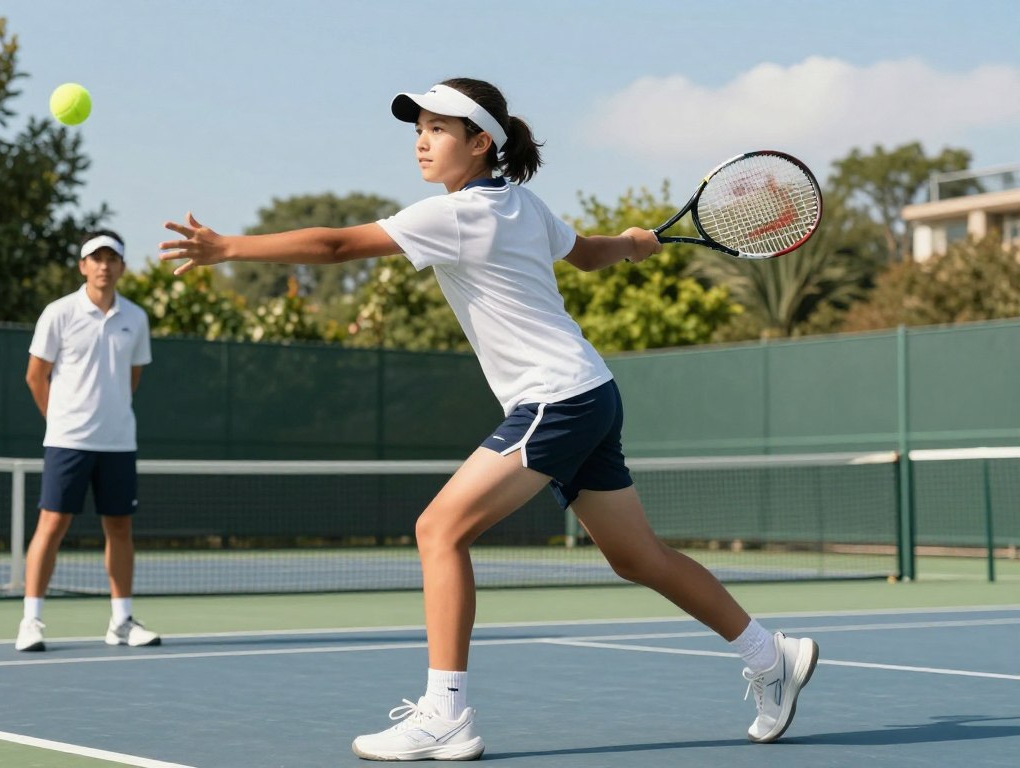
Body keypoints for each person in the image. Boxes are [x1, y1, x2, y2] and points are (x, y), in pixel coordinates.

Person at [159, 78, 816, 761]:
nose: (421, 138)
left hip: (555, 399)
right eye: (418, 127)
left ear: (480, 144)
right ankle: (771, 655)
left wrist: (229, 248)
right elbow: (588, 254)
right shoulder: (520, 205)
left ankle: (445, 713)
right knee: (635, 556)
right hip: (589, 391)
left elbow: (334, 248)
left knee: (438, 530)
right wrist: (630, 241)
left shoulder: (459, 215)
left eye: (439, 129)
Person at [15, 229, 161, 652]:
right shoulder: (58, 313)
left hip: (118, 443)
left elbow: (131, 379)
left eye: (111, 258)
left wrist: (108, 416)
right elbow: (34, 377)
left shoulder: (136, 318)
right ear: (83, 266)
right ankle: (31, 620)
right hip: (67, 442)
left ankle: (121, 622)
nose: (103, 266)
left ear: (122, 267)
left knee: (120, 527)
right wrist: (60, 420)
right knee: (53, 525)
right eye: (95, 258)